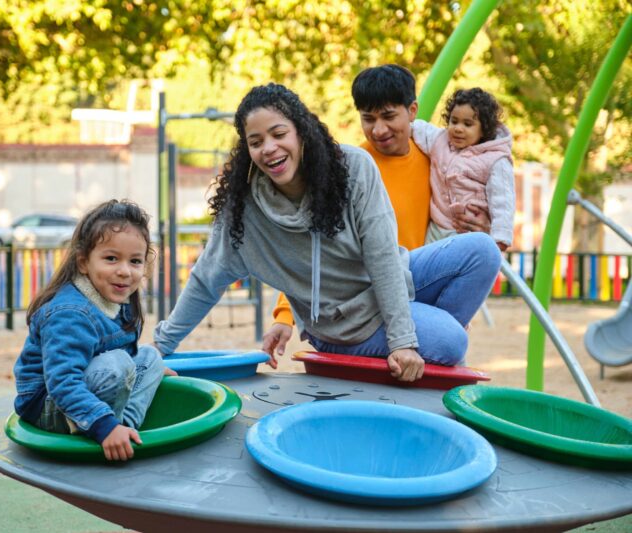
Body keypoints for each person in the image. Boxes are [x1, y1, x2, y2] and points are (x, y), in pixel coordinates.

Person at [153, 83, 501, 382]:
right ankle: (424, 353)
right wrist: (160, 347)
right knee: (452, 340)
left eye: (279, 134)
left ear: (301, 132)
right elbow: (204, 281)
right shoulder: (244, 213)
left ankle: (415, 358)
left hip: (389, 281)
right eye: (256, 142)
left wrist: (403, 340)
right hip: (342, 324)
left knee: (482, 251)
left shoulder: (352, 169)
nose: (269, 148)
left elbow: (383, 258)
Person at [264, 64, 493, 362]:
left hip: (411, 281)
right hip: (362, 297)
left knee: (484, 252)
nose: (379, 129)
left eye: (388, 116)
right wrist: (285, 316)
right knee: (451, 342)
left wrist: (479, 220)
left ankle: (433, 341)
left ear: (412, 111)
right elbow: (311, 248)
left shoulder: (433, 160)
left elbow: (463, 212)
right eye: (368, 119)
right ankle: (435, 342)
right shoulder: (349, 169)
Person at [12, 200, 168, 461]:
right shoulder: (70, 314)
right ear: (83, 262)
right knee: (117, 364)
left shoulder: (120, 299)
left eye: (135, 261)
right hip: (50, 405)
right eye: (111, 258)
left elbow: (131, 354)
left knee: (151, 358)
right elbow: (62, 382)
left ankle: (124, 427)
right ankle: (101, 426)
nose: (124, 271)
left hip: (94, 382)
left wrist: (152, 370)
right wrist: (102, 425)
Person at [411, 87, 514, 251]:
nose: (458, 128)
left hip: (468, 231)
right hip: (437, 226)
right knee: (427, 266)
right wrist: (401, 124)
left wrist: (500, 237)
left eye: (468, 124)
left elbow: (502, 200)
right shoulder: (440, 141)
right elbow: (417, 128)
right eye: (454, 121)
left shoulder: (495, 159)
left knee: (460, 268)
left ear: (484, 129)